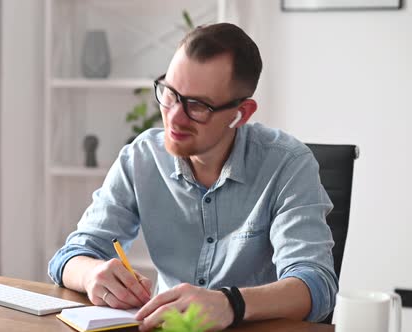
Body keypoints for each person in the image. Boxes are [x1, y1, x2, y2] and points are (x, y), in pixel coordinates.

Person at [48, 22, 337, 331]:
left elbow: (316, 285)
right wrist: (93, 273)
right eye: (170, 93)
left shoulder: (288, 164)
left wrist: (231, 303)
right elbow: (69, 258)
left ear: (242, 113)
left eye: (197, 105)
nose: (174, 117)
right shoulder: (141, 158)